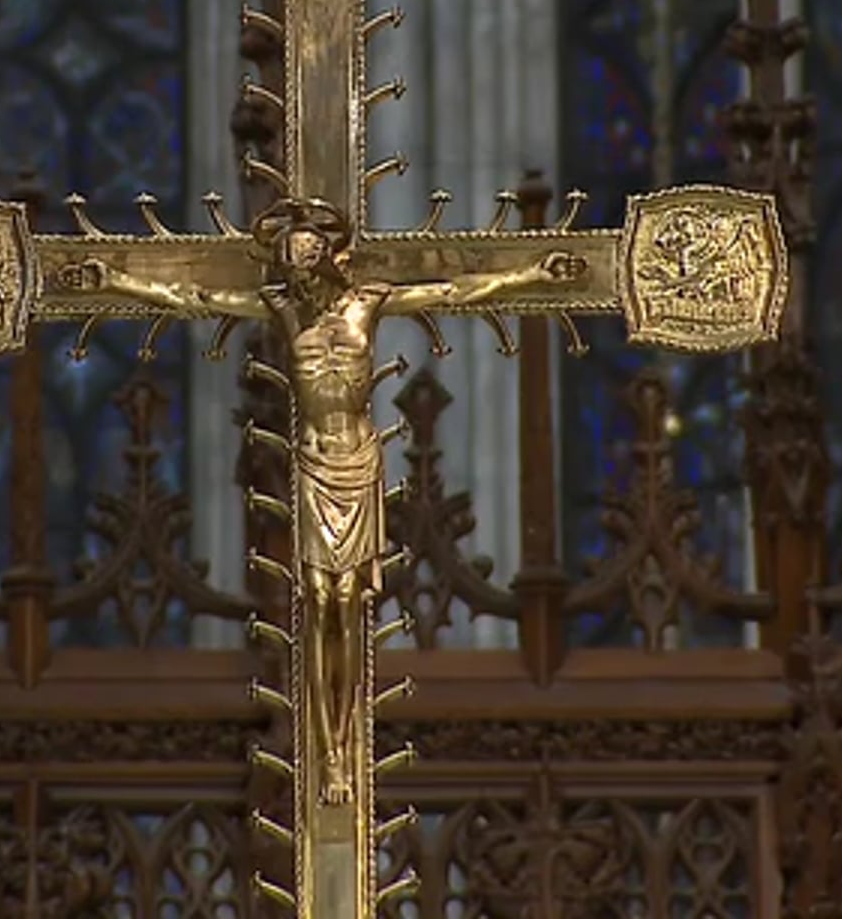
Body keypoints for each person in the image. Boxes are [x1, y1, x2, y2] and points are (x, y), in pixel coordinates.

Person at [60, 197, 581, 805]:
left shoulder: (369, 303)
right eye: (289, 265)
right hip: (313, 466)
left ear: (331, 256)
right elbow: (195, 298)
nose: (297, 275)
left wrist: (533, 274)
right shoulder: (283, 311)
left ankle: (344, 741)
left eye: (305, 261)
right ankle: (330, 751)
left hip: (356, 464)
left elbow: (459, 291)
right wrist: (117, 278)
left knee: (349, 602)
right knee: (321, 601)